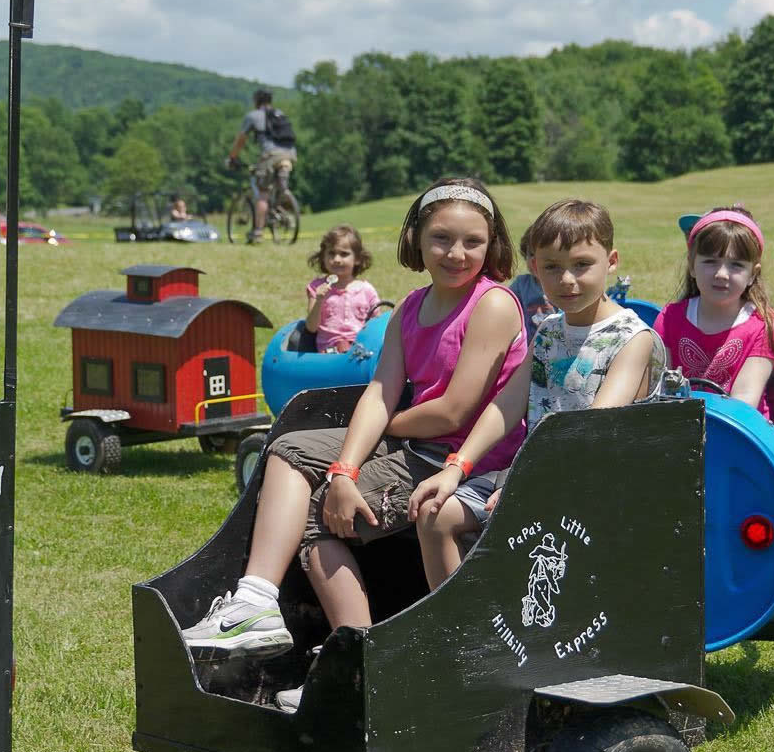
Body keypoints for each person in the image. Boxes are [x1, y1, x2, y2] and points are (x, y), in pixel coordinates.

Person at [180, 176, 526, 712]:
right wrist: (344, 469)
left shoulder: (494, 305)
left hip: (464, 463)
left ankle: (360, 665)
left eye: (472, 242)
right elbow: (380, 392)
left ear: (492, 244)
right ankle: (257, 600)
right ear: (416, 239)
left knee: (315, 516)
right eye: (441, 238)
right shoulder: (410, 308)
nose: (456, 254)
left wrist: (372, 445)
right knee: (288, 447)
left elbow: (454, 411)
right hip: (416, 447)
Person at [409, 199, 665, 588]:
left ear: (611, 261)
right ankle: (462, 623)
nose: (567, 280)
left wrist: (526, 487)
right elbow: (505, 406)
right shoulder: (548, 331)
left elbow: (591, 429)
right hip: (533, 472)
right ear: (534, 268)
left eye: (582, 264)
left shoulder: (633, 338)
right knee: (434, 514)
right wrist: (455, 468)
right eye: (552, 267)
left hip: (594, 484)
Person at [652, 205, 774, 418]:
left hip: (738, 429)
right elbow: (659, 389)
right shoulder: (669, 318)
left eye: (736, 265)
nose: (722, 274)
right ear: (692, 266)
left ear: (753, 274)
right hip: (679, 426)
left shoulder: (765, 325)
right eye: (710, 262)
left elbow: (744, 402)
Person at [225, 88, 296, 244]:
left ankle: (257, 232)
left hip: (270, 156)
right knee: (279, 186)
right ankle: (283, 209)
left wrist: (232, 157)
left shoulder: (253, 116)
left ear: (256, 100)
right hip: (290, 154)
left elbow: (241, 139)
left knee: (262, 192)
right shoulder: (280, 114)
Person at [305, 224, 380, 353]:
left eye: (344, 254)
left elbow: (377, 327)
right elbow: (311, 328)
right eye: (331, 253)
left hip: (360, 351)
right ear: (323, 256)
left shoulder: (367, 290)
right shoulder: (317, 287)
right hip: (328, 353)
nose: (336, 259)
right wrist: (319, 301)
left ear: (357, 259)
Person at [508, 223, 555, 346]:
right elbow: (506, 308)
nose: (535, 261)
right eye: (531, 254)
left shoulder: (563, 284)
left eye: (544, 255)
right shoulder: (521, 285)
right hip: (528, 348)